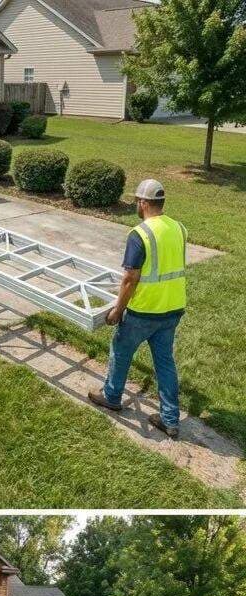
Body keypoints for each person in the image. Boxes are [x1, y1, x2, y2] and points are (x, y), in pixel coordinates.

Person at [89, 178, 188, 439]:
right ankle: (169, 419)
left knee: (121, 350)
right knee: (165, 362)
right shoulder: (179, 228)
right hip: (173, 308)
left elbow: (130, 278)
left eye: (137, 201)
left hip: (144, 311)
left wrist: (117, 310)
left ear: (143, 203)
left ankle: (111, 396)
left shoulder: (140, 234)